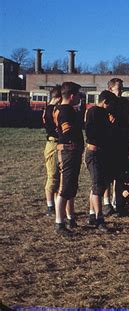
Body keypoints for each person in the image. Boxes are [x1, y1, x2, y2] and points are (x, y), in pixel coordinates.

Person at [53, 82, 84, 236]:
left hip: (71, 151)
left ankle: (70, 217)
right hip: (68, 150)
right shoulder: (66, 111)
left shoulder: (62, 108)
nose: (79, 97)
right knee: (65, 187)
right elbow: (67, 131)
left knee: (71, 186)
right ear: (72, 96)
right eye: (78, 94)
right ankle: (60, 222)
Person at [84, 90, 117, 232]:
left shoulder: (94, 112)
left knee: (98, 185)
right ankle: (99, 218)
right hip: (95, 151)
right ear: (105, 102)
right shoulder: (96, 112)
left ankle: (93, 214)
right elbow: (93, 133)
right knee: (98, 185)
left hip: (98, 152)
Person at [107, 78, 129, 216]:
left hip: (122, 142)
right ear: (110, 89)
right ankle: (106, 203)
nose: (121, 91)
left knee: (121, 174)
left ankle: (119, 202)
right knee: (107, 175)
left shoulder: (124, 103)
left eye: (122, 88)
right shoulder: (107, 104)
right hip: (110, 143)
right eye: (119, 89)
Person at [42, 85, 61, 216]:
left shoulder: (48, 109)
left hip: (54, 143)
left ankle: (54, 203)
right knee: (53, 176)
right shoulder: (52, 110)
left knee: (57, 177)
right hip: (53, 144)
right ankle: (50, 206)